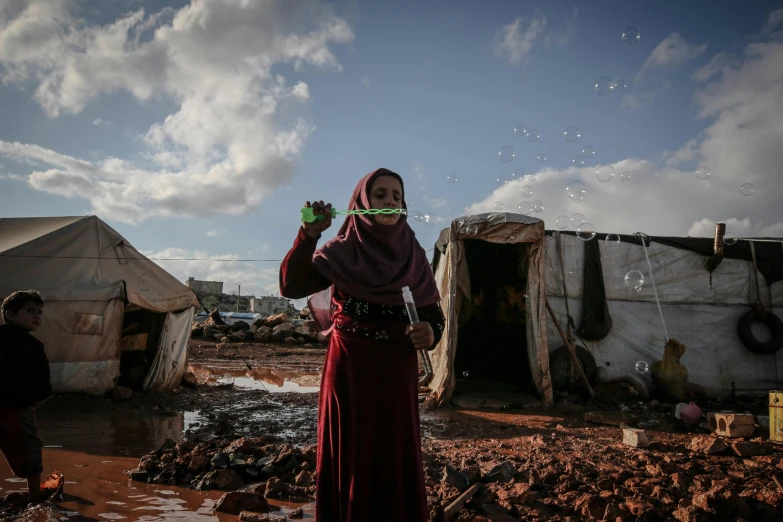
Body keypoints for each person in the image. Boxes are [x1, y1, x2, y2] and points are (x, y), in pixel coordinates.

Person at [280, 168, 445, 522]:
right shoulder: (341, 251)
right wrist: (308, 234)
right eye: (381, 194)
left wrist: (430, 333)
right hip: (350, 365)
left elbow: (434, 314)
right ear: (363, 203)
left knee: (393, 449)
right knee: (352, 448)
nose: (389, 201)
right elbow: (292, 286)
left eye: (396, 197)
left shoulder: (414, 255)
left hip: (397, 367)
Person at [0, 290, 52, 503]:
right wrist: (40, 397)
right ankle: (34, 494)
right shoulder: (33, 345)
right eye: (31, 311)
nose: (37, 316)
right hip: (18, 407)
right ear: (11, 314)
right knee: (30, 446)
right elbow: (41, 376)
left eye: (40, 312)